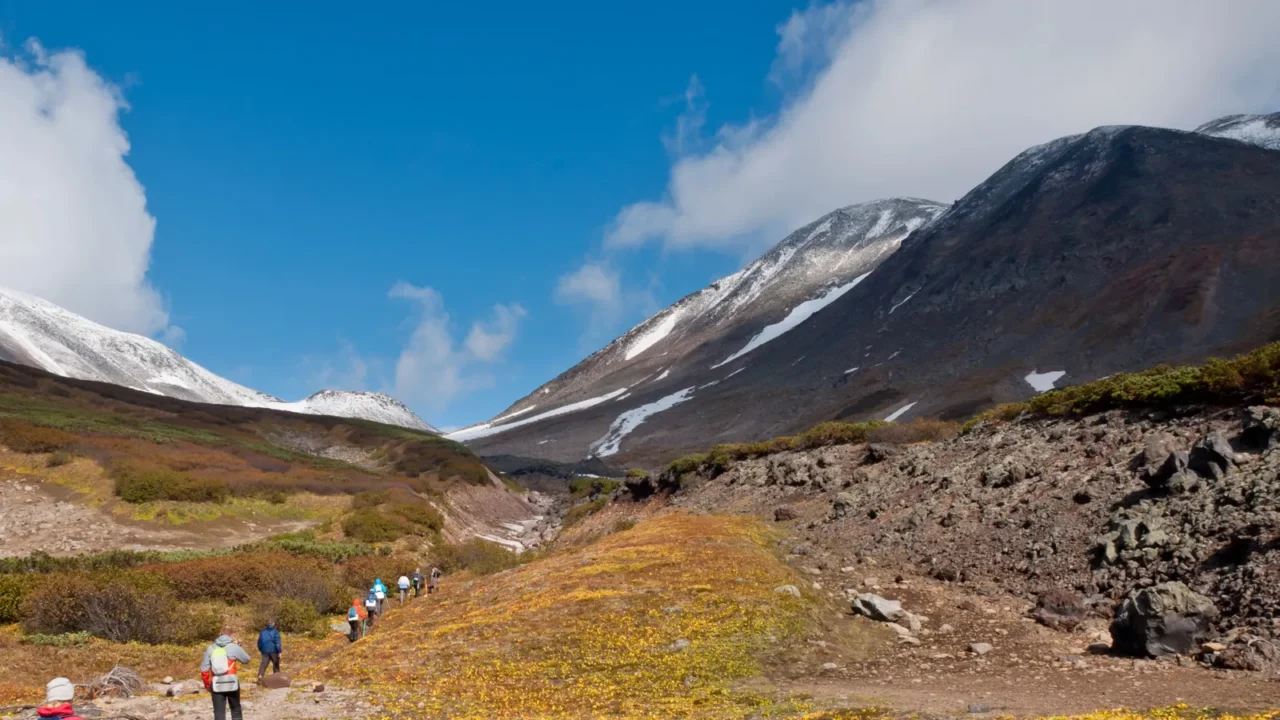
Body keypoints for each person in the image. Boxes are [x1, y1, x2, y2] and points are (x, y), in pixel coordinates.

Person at [201, 628, 251, 720]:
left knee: (219, 712)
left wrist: (207, 685)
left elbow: (204, 669)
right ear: (231, 636)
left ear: (220, 634)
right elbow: (246, 659)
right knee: (235, 708)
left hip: (216, 684)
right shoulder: (234, 647)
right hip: (232, 682)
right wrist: (238, 645)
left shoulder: (211, 648)